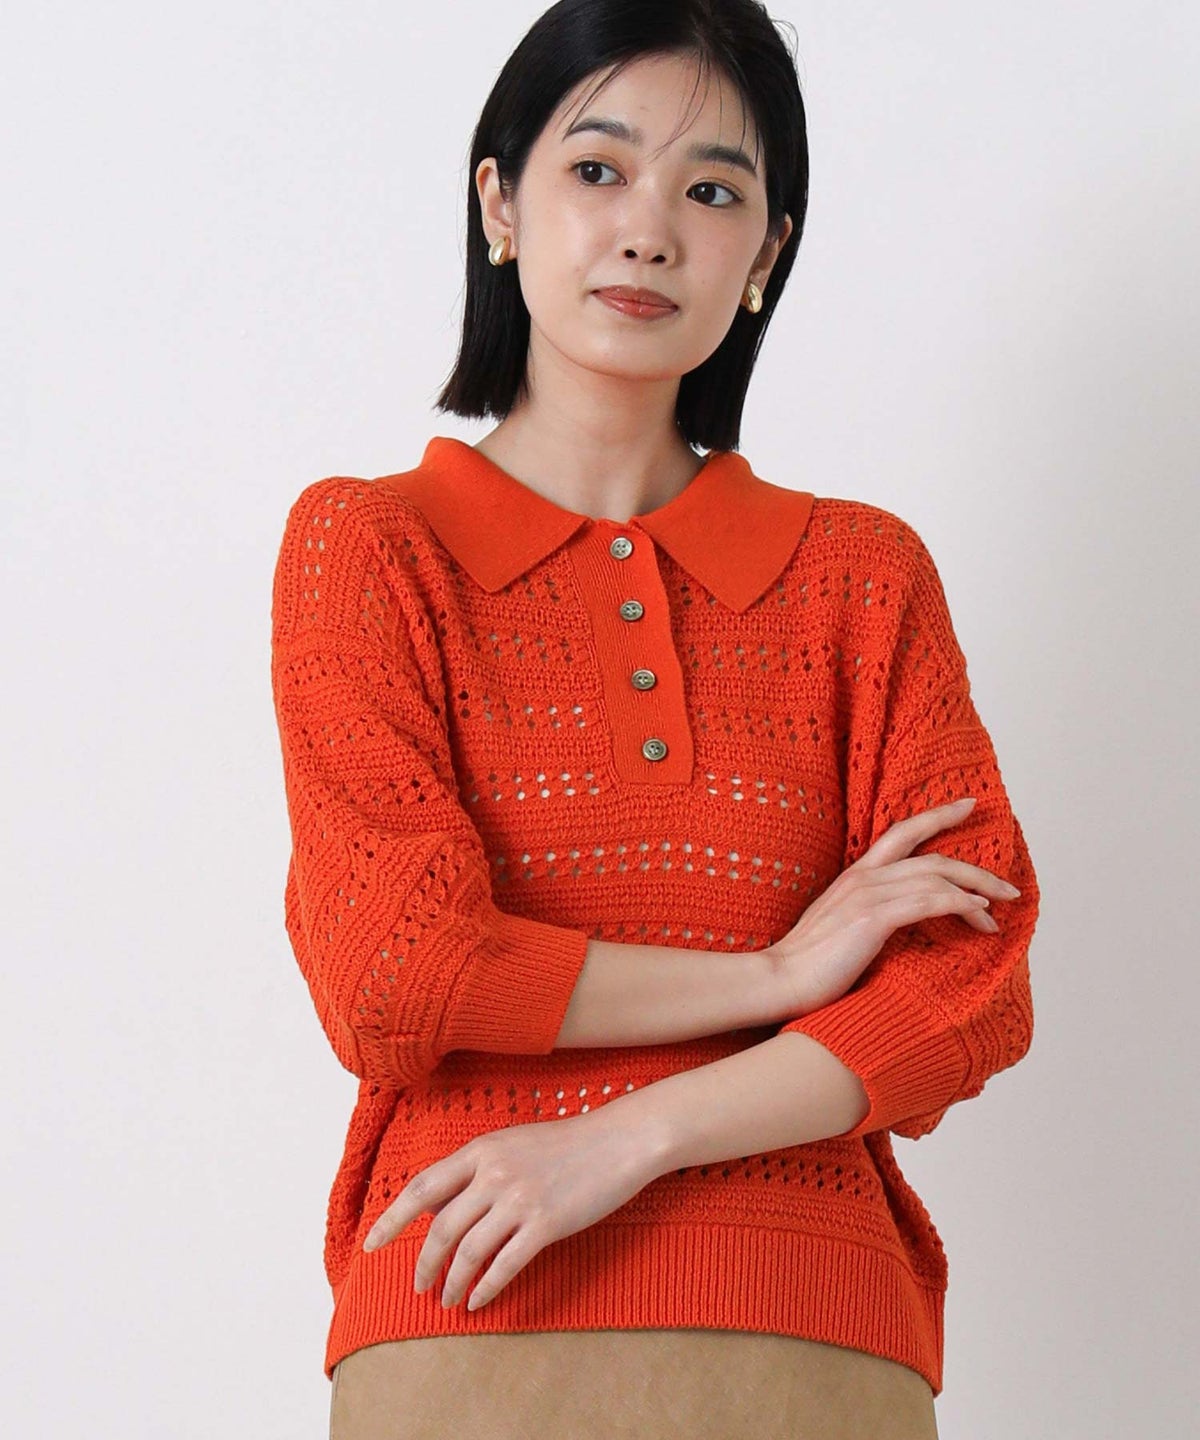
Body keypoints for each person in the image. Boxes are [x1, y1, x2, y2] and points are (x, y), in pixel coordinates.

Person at [268, 3, 1040, 1436]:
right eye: (598, 169)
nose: (649, 231)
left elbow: (966, 987)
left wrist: (627, 1139)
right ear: (501, 204)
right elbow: (397, 972)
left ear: (767, 255)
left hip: (809, 1327)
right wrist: (780, 974)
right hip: (467, 1310)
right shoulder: (371, 548)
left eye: (713, 192)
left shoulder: (861, 576)